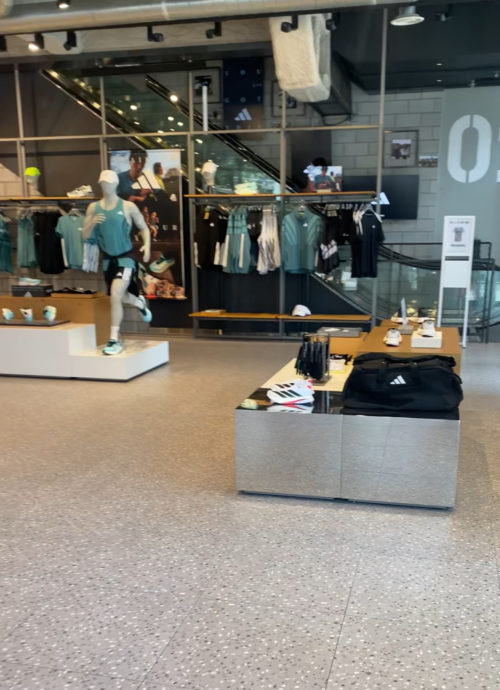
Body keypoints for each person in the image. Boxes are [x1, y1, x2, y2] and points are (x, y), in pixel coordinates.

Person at [83, 169, 152, 356]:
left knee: (115, 294)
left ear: (115, 184)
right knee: (119, 297)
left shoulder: (128, 206)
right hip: (108, 259)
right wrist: (91, 223)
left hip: (126, 257)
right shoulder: (93, 208)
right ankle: (139, 303)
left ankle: (113, 339)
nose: (106, 186)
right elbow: (85, 236)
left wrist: (147, 245)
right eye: (103, 183)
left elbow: (143, 227)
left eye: (109, 183)